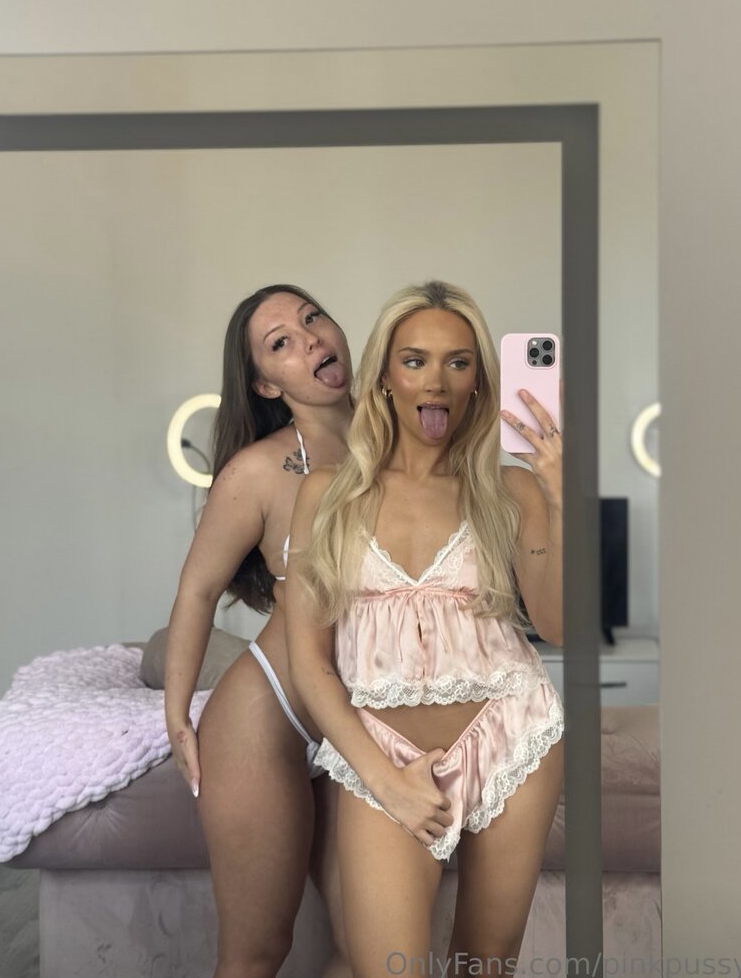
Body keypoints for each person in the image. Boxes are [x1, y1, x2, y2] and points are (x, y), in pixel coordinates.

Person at [285, 280, 565, 978]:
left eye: (457, 362)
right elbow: (310, 662)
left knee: (484, 967)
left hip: (511, 732)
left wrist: (561, 498)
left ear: (478, 381)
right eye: (415, 360)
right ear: (385, 375)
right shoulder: (327, 493)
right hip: (384, 750)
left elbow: (557, 624)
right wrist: (384, 780)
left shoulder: (511, 489)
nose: (436, 380)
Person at [164, 284, 354, 978]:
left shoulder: (407, 439)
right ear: (266, 383)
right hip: (268, 716)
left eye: (312, 318)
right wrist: (177, 716)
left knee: (375, 955)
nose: (309, 339)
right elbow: (197, 590)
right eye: (281, 343)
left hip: (363, 720)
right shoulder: (258, 470)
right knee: (255, 954)